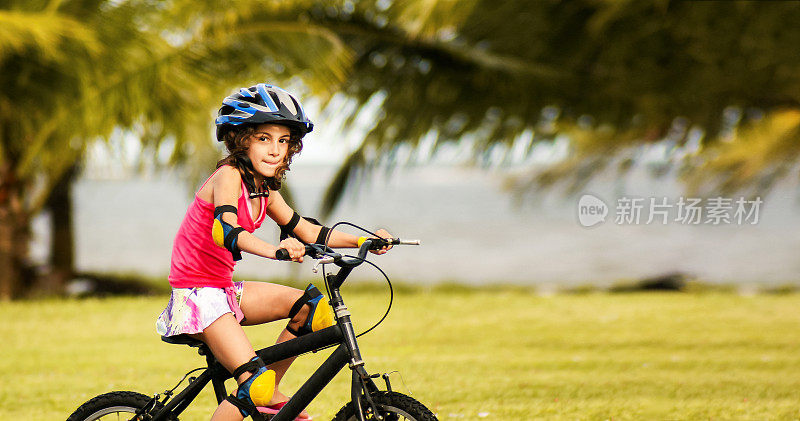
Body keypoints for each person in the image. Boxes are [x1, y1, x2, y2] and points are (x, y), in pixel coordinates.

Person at [155, 84, 392, 421]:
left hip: (223, 290)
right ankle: (259, 390)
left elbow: (309, 232)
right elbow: (224, 231)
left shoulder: (264, 188)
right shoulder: (228, 176)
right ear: (242, 139)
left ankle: (268, 392)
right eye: (264, 138)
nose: (275, 150)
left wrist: (364, 241)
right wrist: (275, 251)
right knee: (254, 384)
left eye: (283, 141)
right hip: (196, 296)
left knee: (314, 310)